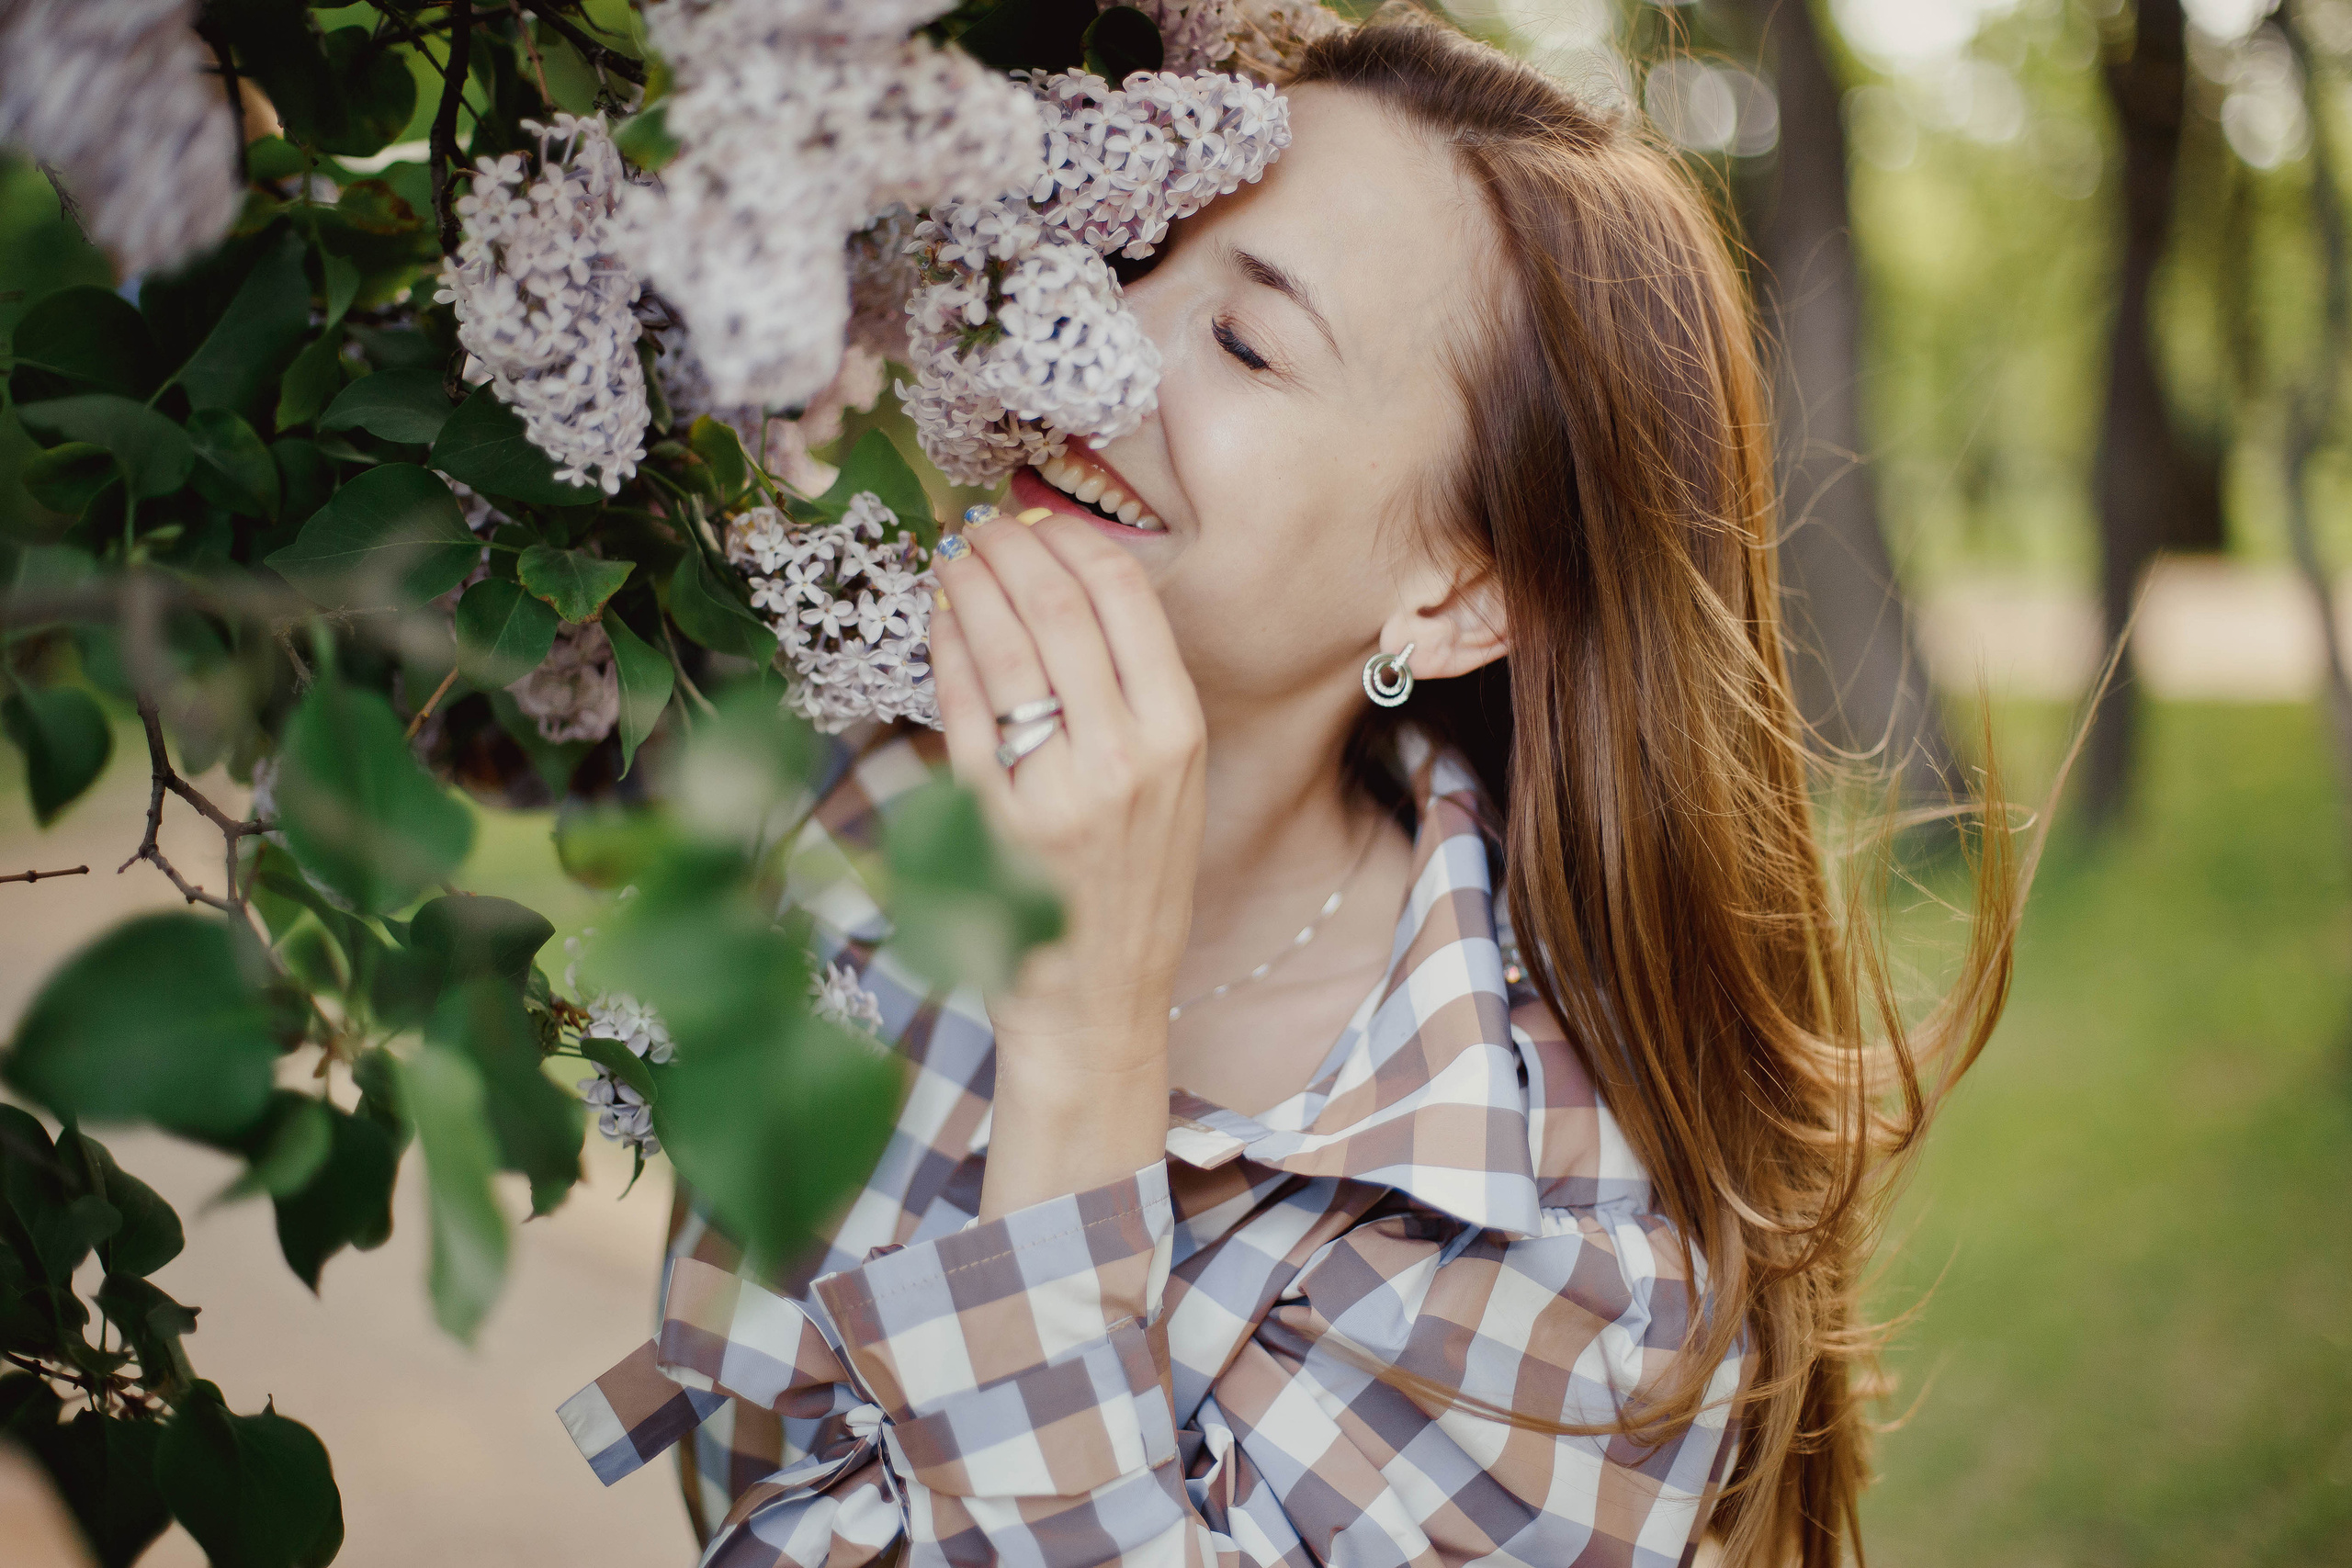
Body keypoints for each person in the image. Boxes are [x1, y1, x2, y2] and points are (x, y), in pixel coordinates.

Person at [561, 11, 2020, 1565]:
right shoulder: (869, 769)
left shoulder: (1571, 1268)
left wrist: (1087, 1036)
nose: (1094, 350)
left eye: (1250, 343)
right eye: (1131, 264)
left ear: (1458, 591)